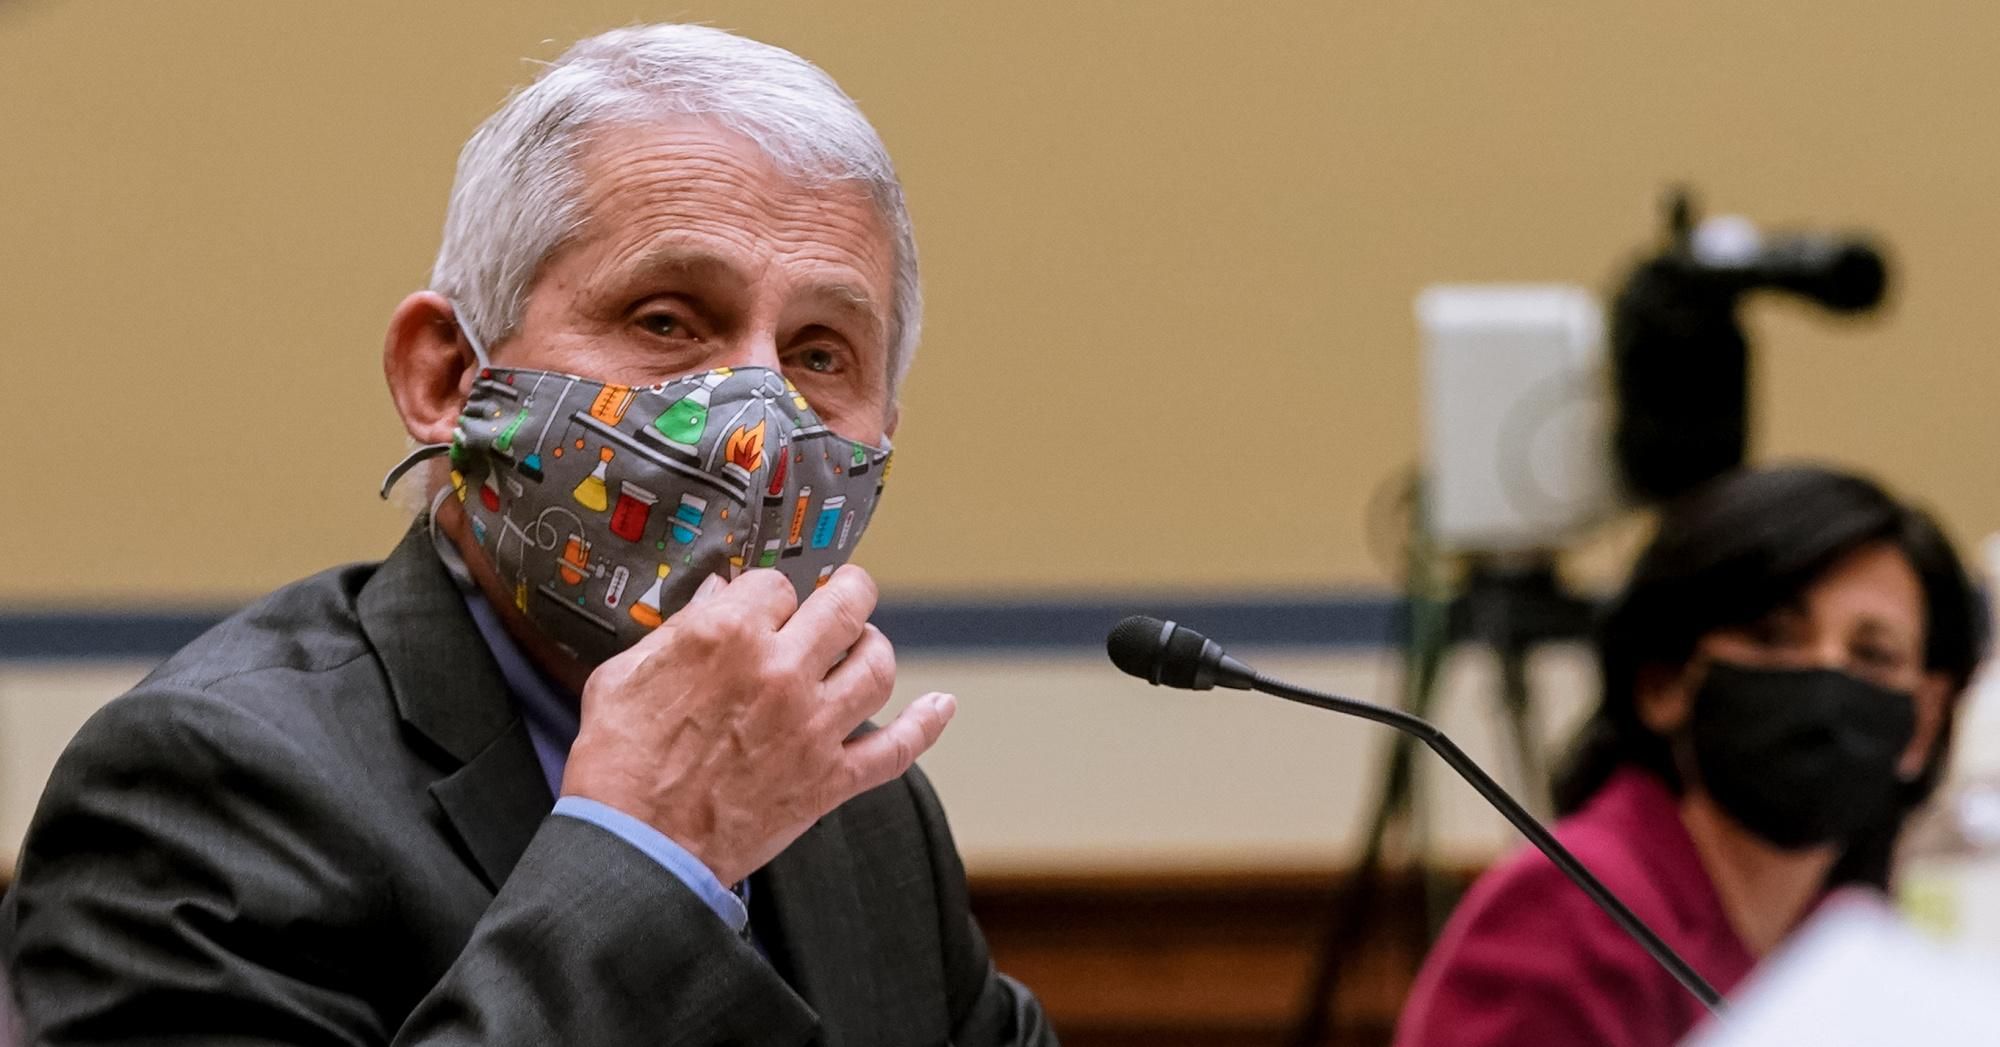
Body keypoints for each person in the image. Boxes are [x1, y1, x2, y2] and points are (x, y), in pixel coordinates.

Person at [5, 24, 1055, 1046]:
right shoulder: (209, 780)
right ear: (446, 376)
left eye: (820, 355)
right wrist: (647, 853)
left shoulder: (851, 802)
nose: (754, 424)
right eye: (665, 321)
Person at [1394, 464, 1987, 1047]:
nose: (1826, 678)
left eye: (1873, 655)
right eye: (1773, 638)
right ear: (1664, 682)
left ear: (1925, 723)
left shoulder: (1849, 939)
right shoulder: (1569, 909)